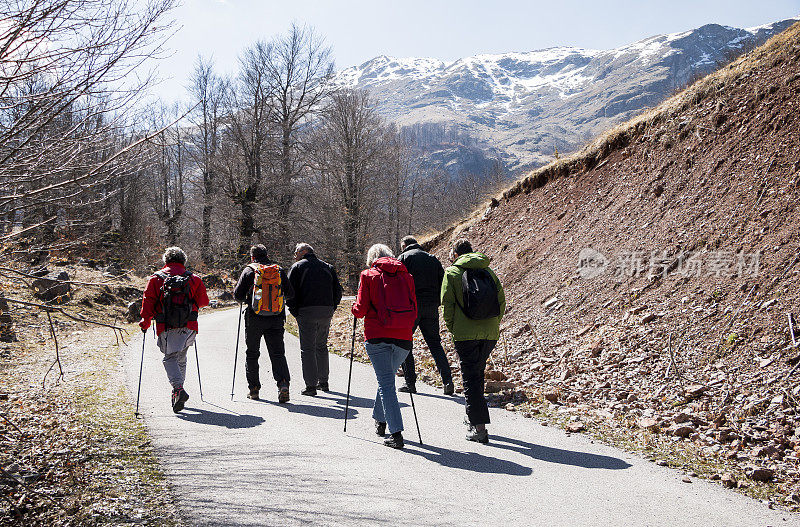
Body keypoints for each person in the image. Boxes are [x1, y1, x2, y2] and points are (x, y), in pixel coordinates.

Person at [352, 244, 417, 449]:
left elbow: (361, 309)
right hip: (403, 338)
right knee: (386, 380)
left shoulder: (368, 275)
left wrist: (353, 308)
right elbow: (415, 309)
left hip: (377, 336)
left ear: (372, 258)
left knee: (387, 383)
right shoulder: (407, 276)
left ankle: (396, 433)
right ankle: (380, 420)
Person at [441, 238, 505, 444]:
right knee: (477, 373)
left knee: (470, 378)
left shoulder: (452, 273)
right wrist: (492, 324)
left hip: (465, 334)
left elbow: (447, 307)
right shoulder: (488, 272)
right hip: (490, 333)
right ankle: (473, 419)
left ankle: (479, 428)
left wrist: (454, 329)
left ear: (456, 254)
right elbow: (501, 302)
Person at [139, 247, 210, 413]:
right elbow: (204, 302)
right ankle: (178, 391)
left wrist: (145, 321)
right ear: (183, 261)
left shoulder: (156, 279)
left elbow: (148, 302)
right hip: (189, 326)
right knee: (181, 358)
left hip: (167, 326)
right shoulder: (194, 279)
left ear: (165, 261)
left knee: (170, 358)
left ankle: (178, 389)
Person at [233, 244, 295, 403]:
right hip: (275, 317)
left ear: (252, 256)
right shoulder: (278, 270)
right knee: (277, 353)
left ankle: (254, 389)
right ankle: (283, 385)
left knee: (252, 353)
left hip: (254, 318)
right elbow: (290, 294)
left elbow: (238, 295)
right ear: (267, 255)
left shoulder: (249, 270)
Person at [397, 235, 453, 395]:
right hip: (431, 307)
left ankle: (410, 383)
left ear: (404, 245)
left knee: (405, 343)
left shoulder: (403, 258)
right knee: (435, 344)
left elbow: (399, 283)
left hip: (412, 307)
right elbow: (443, 283)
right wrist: (437, 301)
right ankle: (448, 381)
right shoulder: (432, 258)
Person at [287, 243, 343, 395]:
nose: (294, 256)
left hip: (306, 311)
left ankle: (311, 386)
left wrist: (294, 311)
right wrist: (332, 307)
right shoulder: (328, 267)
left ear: (303, 252)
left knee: (308, 348)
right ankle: (323, 382)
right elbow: (338, 291)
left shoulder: (298, 267)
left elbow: (289, 292)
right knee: (321, 346)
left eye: (296, 252)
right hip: (326, 312)